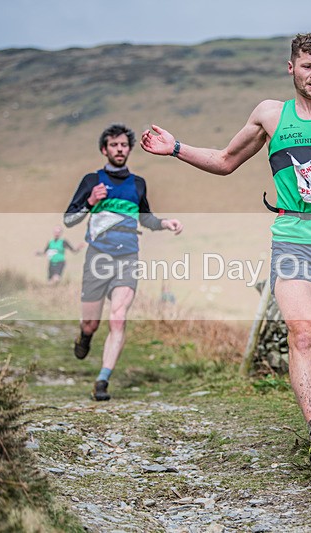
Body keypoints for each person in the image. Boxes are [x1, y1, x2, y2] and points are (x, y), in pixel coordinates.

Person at [140, 34, 311, 475]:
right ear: (291, 68)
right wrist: (176, 148)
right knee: (302, 333)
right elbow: (226, 160)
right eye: (307, 67)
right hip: (292, 237)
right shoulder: (270, 115)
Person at [64, 123, 183, 401]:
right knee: (91, 323)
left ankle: (103, 380)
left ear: (129, 149)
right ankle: (85, 336)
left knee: (118, 318)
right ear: (104, 149)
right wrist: (90, 201)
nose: (119, 149)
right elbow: (69, 219)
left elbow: (146, 218)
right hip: (97, 258)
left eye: (124, 145)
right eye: (114, 145)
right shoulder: (91, 181)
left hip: (128, 258)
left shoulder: (138, 184)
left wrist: (165, 223)